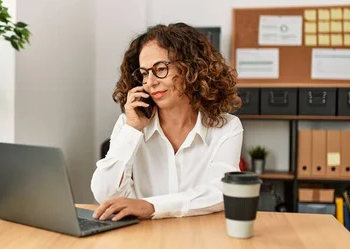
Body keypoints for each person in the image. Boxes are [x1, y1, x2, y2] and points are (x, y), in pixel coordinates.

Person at [90, 23, 243, 222]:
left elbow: (221, 191)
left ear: (192, 68)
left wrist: (152, 207)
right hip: (143, 237)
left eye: (160, 69)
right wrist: (132, 130)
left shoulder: (227, 127)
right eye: (144, 73)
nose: (150, 82)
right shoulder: (129, 125)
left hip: (201, 236)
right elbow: (104, 194)